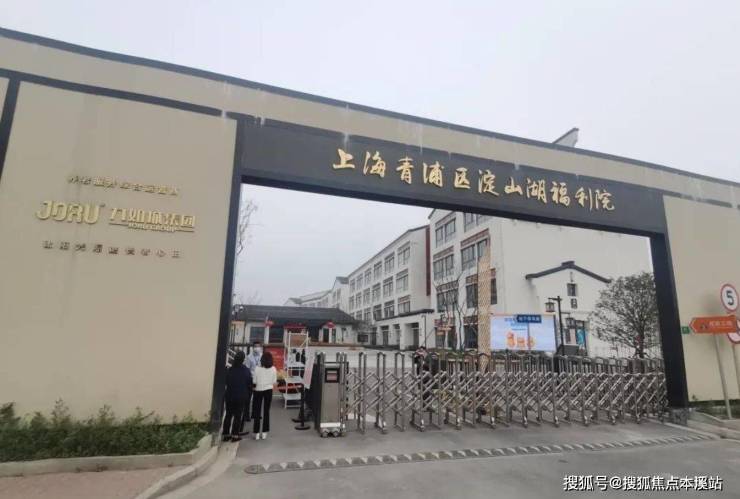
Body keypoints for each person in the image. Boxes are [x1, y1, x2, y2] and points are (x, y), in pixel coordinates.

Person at [222, 350, 252, 442]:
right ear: (243, 360)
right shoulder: (246, 371)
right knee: (238, 416)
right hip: (241, 396)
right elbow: (249, 383)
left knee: (228, 415)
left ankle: (226, 434)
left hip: (229, 395)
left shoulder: (230, 370)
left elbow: (226, 381)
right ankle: (235, 435)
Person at [252, 350, 277, 440]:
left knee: (257, 411)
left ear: (262, 359)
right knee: (266, 411)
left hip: (258, 390)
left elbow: (254, 381)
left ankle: (256, 433)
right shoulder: (273, 369)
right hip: (268, 390)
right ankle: (264, 432)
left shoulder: (257, 369)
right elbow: (274, 382)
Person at [239, 341, 263, 434]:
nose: (257, 348)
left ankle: (255, 414)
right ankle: (246, 415)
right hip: (251, 379)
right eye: (255, 346)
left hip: (259, 379)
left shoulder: (262, 355)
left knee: (258, 398)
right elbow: (247, 369)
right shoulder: (249, 357)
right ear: (253, 347)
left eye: (258, 346)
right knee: (248, 398)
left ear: (260, 347)